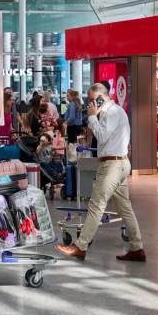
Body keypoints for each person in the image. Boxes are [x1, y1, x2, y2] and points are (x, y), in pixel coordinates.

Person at [56, 83, 146, 262]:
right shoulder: (112, 112)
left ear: (100, 98)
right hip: (118, 164)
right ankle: (137, 247)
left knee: (96, 205)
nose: (89, 103)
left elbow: (103, 136)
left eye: (91, 100)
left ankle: (80, 246)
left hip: (113, 166)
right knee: (124, 207)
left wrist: (92, 118)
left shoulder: (112, 113)